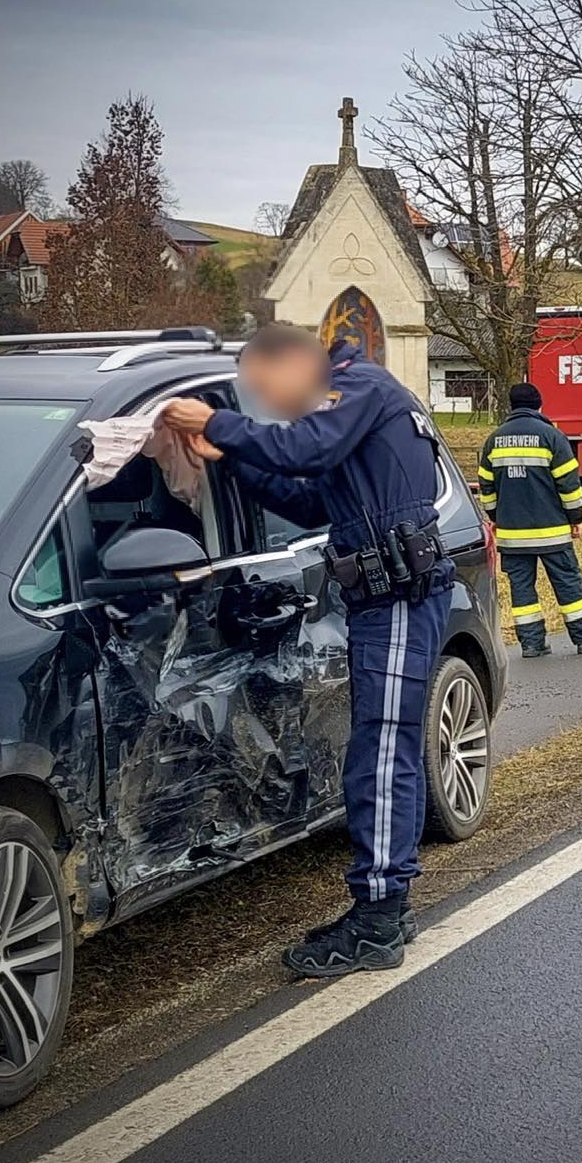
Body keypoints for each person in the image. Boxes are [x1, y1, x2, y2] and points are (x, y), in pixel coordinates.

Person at [160, 323, 454, 978]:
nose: (273, 404)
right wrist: (229, 454)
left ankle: (377, 919)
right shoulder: (350, 402)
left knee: (380, 755)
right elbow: (303, 493)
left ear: (296, 364)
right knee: (380, 752)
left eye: (268, 388)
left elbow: (305, 447)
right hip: (383, 597)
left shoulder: (357, 388)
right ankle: (387, 904)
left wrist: (222, 423)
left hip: (399, 596)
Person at [478, 382, 582, 657]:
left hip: (512, 535)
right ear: (538, 405)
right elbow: (569, 485)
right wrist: (576, 518)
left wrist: (497, 517)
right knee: (568, 584)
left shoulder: (493, 441)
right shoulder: (551, 437)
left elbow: (487, 489)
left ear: (511, 406)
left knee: (522, 592)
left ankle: (532, 644)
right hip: (552, 532)